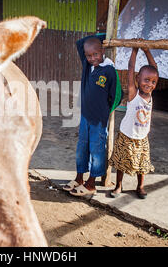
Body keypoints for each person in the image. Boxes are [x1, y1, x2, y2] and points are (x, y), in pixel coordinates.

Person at [62, 34, 122, 196]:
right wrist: (100, 38)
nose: (92, 58)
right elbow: (80, 43)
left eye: (96, 54)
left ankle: (91, 183)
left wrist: (104, 110)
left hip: (99, 121)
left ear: (103, 51)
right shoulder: (87, 66)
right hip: (85, 117)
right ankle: (79, 177)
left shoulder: (109, 70)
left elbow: (117, 96)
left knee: (97, 150)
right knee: (82, 148)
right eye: (88, 55)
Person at [109, 46, 158, 199]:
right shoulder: (133, 93)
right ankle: (118, 185)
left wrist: (147, 51)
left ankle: (140, 186)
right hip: (126, 135)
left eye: (153, 81)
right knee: (121, 163)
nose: (149, 84)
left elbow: (154, 68)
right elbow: (131, 68)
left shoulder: (150, 95)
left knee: (142, 165)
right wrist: (135, 50)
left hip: (142, 137)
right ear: (137, 79)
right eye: (146, 80)